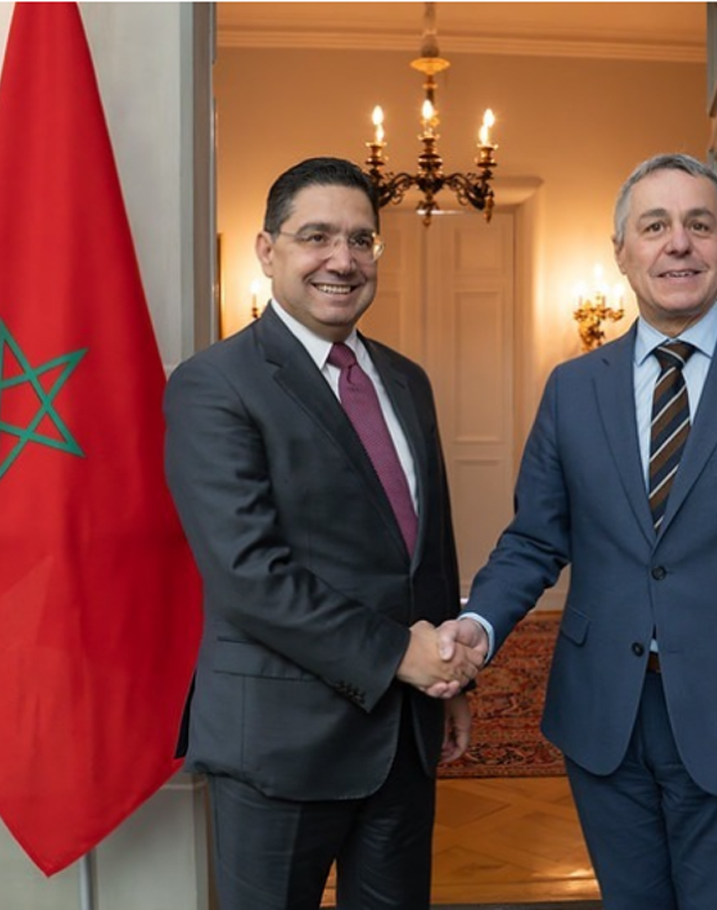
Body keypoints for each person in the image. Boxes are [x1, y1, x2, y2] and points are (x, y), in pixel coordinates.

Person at [438, 153, 717, 910]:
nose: (678, 244)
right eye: (655, 226)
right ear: (622, 252)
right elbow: (536, 538)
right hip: (604, 716)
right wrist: (479, 623)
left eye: (699, 225)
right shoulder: (574, 388)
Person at [164, 157, 482, 910]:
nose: (343, 259)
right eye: (316, 237)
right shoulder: (215, 384)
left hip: (404, 737)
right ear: (267, 250)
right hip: (280, 747)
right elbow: (249, 574)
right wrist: (398, 655)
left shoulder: (406, 380)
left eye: (361, 239)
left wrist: (449, 678)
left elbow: (427, 551)